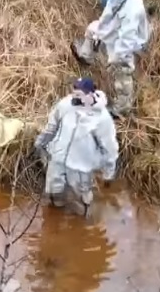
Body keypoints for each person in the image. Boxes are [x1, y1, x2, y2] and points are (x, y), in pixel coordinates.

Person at [71, 0, 150, 117]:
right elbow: (109, 12)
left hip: (127, 41)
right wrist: (100, 30)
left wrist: (118, 58)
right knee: (92, 30)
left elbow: (127, 38)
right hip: (115, 27)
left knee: (122, 72)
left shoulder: (134, 10)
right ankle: (86, 57)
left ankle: (122, 108)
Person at [33, 78, 119, 216]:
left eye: (79, 94)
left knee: (81, 206)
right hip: (58, 160)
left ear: (90, 94)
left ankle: (85, 223)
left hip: (81, 167)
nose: (74, 97)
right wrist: (40, 142)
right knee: (54, 196)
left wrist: (108, 173)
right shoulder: (65, 105)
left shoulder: (102, 118)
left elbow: (109, 148)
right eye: (74, 92)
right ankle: (55, 222)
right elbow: (51, 127)